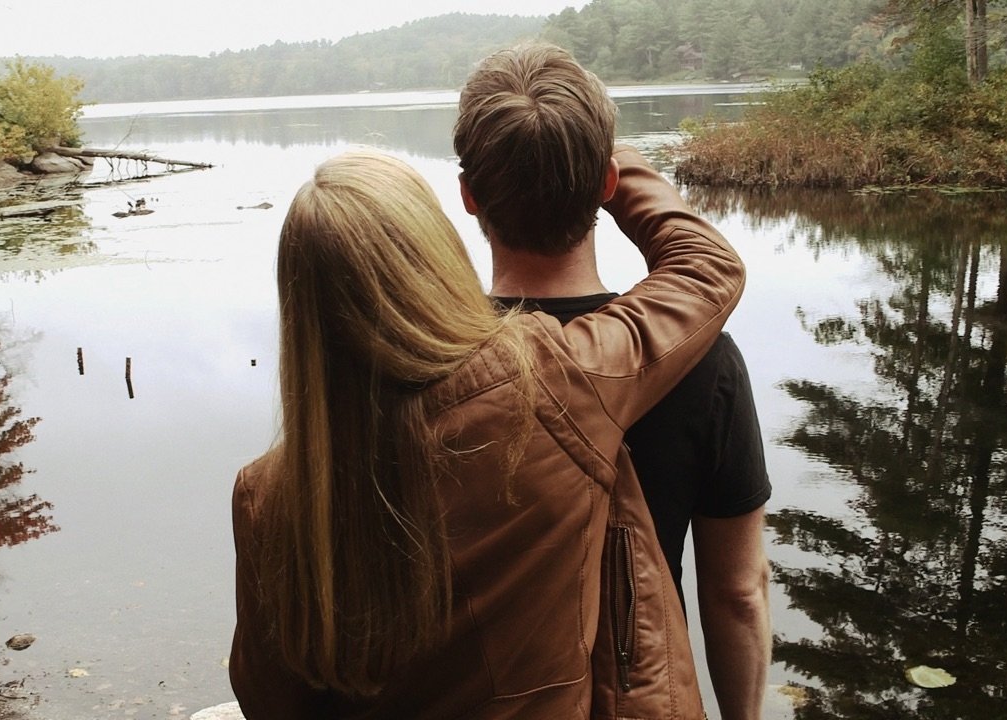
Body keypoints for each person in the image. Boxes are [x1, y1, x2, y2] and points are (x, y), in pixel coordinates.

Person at [228, 147, 742, 718]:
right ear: (438, 253)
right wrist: (612, 166)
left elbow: (269, 698)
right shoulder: (548, 385)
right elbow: (706, 271)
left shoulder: (266, 497)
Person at [454, 43, 771, 720]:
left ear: (468, 195)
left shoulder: (436, 360)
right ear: (607, 184)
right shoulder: (702, 360)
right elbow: (738, 593)